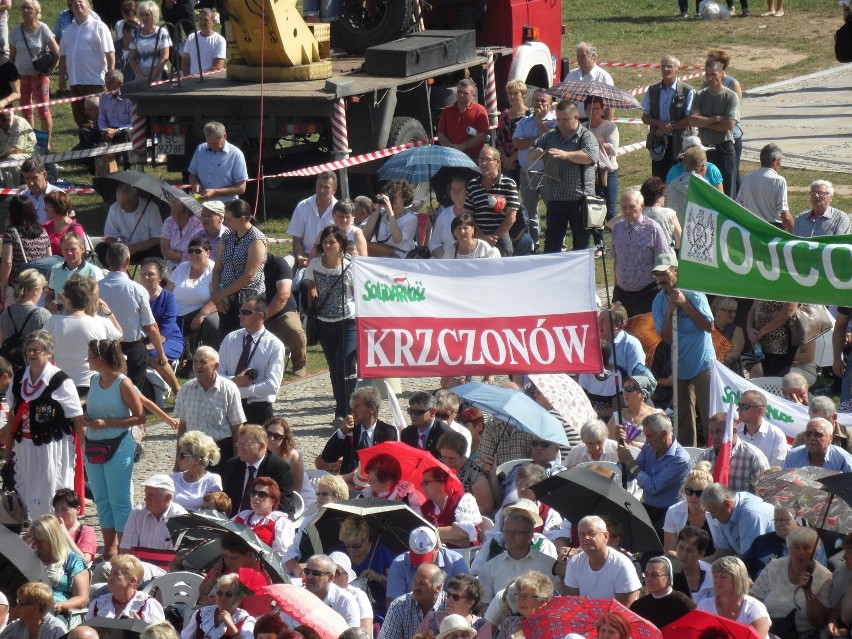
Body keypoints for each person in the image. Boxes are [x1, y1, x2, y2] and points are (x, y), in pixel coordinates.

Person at [3, 328, 83, 520]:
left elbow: (76, 417)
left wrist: (86, 447)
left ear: (48, 352)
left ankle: (55, 531)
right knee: (29, 491)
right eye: (29, 350)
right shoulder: (19, 378)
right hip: (25, 446)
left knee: (51, 489)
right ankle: (37, 532)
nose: (31, 354)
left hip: (52, 447)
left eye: (37, 350)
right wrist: (8, 446)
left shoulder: (60, 380)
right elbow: (13, 414)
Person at [84, 337, 145, 559]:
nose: (87, 360)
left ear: (100, 359)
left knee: (119, 500)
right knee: (101, 499)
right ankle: (109, 548)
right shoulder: (94, 380)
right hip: (94, 445)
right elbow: (94, 408)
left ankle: (124, 548)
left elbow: (140, 417)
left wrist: (107, 423)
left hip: (118, 445)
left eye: (90, 356)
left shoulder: (123, 383)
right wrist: (88, 416)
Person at [652, 252, 714, 447]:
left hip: (702, 362)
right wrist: (670, 312)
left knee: (709, 414)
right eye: (657, 274)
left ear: (676, 271)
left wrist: (684, 304)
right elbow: (668, 338)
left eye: (664, 273)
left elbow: (709, 326)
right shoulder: (659, 301)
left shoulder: (694, 293)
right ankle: (688, 455)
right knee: (683, 417)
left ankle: (716, 452)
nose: (661, 278)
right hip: (680, 363)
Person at [528, 100, 598, 253]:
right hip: (555, 197)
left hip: (579, 199)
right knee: (552, 244)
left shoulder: (586, 136)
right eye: (558, 119)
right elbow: (531, 153)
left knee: (581, 244)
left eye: (565, 119)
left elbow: (590, 156)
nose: (561, 123)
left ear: (576, 118)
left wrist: (566, 155)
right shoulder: (551, 135)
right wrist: (536, 152)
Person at [99, 243, 167, 390]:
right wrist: (161, 353)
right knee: (134, 392)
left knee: (107, 388)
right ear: (128, 261)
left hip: (104, 348)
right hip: (132, 347)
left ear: (107, 259)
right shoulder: (137, 289)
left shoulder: (96, 287)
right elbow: (150, 326)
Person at [304, 225, 355, 419]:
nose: (327, 245)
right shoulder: (315, 264)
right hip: (325, 322)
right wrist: (313, 308)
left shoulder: (350, 265)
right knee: (334, 367)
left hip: (348, 320)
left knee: (346, 364)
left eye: (331, 242)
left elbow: (356, 293)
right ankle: (342, 402)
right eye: (324, 242)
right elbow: (311, 286)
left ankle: (344, 411)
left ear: (341, 244)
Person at [173, 345, 245, 474]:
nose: (197, 366)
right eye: (195, 361)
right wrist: (179, 459)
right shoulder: (186, 389)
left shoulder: (229, 389)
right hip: (192, 452)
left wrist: (236, 462)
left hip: (220, 451)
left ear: (216, 366)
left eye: (203, 362)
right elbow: (182, 427)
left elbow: (237, 428)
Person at [48, 275, 122, 395]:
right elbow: (116, 338)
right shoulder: (98, 322)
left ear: (67, 299)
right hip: (89, 383)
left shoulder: (53, 321)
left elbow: (43, 347)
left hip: (59, 381)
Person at [218, 296, 285, 424]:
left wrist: (240, 391)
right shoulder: (230, 338)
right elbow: (218, 373)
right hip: (229, 406)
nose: (240, 315)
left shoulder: (274, 345)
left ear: (260, 316)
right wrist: (234, 381)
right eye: (240, 311)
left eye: (246, 312)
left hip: (258, 409)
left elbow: (272, 386)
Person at [210, 199, 267, 336]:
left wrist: (221, 295)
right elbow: (218, 268)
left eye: (229, 219)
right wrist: (216, 295)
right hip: (225, 297)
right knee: (228, 337)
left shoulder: (256, 239)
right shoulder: (227, 236)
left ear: (242, 219)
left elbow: (248, 275)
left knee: (246, 336)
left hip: (248, 297)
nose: (225, 222)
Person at [611, 190, 671, 316]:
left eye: (632, 207)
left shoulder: (653, 228)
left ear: (642, 206)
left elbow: (663, 260)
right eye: (624, 207)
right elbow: (617, 259)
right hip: (621, 293)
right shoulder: (617, 227)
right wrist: (615, 286)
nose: (627, 210)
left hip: (647, 293)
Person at [57, 0, 114, 129]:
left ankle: (102, 145)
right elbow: (63, 56)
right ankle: (86, 143)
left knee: (100, 118)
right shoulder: (68, 30)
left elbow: (110, 53)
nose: (77, 4)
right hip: (75, 83)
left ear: (89, 6)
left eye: (81, 1)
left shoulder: (100, 27)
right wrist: (61, 80)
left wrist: (111, 76)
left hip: (95, 82)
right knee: (80, 119)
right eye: (74, 2)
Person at [563, 515, 642, 606]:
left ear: (605, 536)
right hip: (584, 617)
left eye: (591, 533)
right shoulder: (574, 563)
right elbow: (572, 603)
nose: (586, 538)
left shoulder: (622, 564)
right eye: (582, 534)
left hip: (614, 619)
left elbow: (627, 609)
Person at [317, 385, 397, 474]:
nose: (353, 410)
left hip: (374, 483)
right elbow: (328, 457)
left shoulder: (388, 432)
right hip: (349, 483)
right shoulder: (350, 430)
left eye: (357, 406)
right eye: (353, 406)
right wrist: (342, 432)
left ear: (372, 409)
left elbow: (389, 467)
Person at [512, 89, 556, 252]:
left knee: (553, 211)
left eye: (543, 101)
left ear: (550, 104)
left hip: (547, 173)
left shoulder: (555, 121)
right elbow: (516, 143)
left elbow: (554, 141)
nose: (539, 104)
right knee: (530, 214)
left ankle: (557, 245)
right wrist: (538, 140)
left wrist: (539, 124)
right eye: (536, 100)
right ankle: (534, 245)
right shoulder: (524, 121)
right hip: (527, 173)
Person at [10, 1, 59, 145]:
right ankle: (30, 142)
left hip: (40, 76)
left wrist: (50, 71)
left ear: (36, 11)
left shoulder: (43, 29)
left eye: (29, 8)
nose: (25, 11)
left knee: (43, 111)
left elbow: (57, 52)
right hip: (21, 76)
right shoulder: (16, 30)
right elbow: (12, 56)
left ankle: (45, 145)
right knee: (26, 111)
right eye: (23, 8)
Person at [689, 58, 739, 197]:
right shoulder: (700, 95)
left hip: (724, 147)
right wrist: (715, 119)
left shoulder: (730, 96)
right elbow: (692, 120)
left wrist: (704, 122)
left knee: (727, 192)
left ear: (722, 74)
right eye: (707, 75)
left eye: (713, 74)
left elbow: (729, 124)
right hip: (705, 148)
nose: (710, 78)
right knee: (706, 192)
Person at [458, 145, 519, 258]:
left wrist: (494, 237)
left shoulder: (509, 184)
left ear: (498, 162)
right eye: (481, 159)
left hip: (500, 237)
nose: (483, 163)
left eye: (487, 159)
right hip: (478, 236)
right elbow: (468, 215)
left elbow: (511, 217)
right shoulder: (473, 184)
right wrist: (482, 237)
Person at [222, 424, 295, 518]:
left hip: (264, 521)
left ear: (261, 446)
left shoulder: (278, 467)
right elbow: (226, 498)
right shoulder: (232, 465)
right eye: (239, 444)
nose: (240, 449)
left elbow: (284, 505)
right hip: (234, 520)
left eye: (246, 445)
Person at [166, 236, 221, 358]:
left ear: (208, 253)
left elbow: (218, 298)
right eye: (190, 251)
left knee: (212, 322)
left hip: (199, 311)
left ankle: (207, 357)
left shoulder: (214, 270)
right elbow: (167, 292)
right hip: (176, 312)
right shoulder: (181, 267)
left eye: (198, 251)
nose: (193, 254)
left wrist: (202, 314)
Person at [284, 474, 349, 576]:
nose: (320, 498)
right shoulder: (309, 520)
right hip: (298, 576)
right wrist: (295, 568)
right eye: (318, 493)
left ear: (339, 498)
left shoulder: (344, 525)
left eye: (325, 494)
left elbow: (336, 561)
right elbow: (292, 551)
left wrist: (307, 568)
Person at [642, 55, 696, 178]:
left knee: (681, 179)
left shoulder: (688, 91)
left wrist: (670, 127)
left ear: (677, 69)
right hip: (659, 141)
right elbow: (644, 117)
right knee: (658, 179)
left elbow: (690, 119)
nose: (666, 69)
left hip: (681, 144)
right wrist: (660, 124)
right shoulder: (652, 90)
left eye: (669, 66)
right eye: (663, 66)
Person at [336, 515, 397, 622]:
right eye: (347, 545)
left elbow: (396, 587)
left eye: (356, 545)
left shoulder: (382, 553)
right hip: (345, 611)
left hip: (378, 613)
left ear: (367, 539)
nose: (351, 550)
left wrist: (378, 578)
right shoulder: (339, 554)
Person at [387, 526, 470, 604]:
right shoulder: (399, 564)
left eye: (425, 557)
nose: (422, 564)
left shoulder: (456, 562)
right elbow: (393, 604)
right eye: (417, 556)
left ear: (437, 548)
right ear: (410, 549)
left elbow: (466, 597)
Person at [27, 515, 89, 615]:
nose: (36, 543)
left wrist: (61, 605)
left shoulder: (74, 561)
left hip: (60, 611)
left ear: (52, 538)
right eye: (35, 538)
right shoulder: (31, 558)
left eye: (40, 539)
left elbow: (82, 598)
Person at [697, 557, 771, 638]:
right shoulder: (704, 606)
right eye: (715, 576)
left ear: (738, 580)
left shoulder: (754, 608)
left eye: (723, 577)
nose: (717, 580)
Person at [139, 258, 183, 393]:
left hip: (168, 339)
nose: (146, 277)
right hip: (142, 339)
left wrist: (148, 347)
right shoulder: (136, 295)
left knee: (152, 354)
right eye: (143, 273)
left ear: (159, 278)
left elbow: (165, 330)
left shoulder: (168, 297)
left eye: (150, 274)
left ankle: (177, 390)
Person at [695, 413, 768, 494]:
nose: (714, 437)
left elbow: (765, 492)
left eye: (719, 432)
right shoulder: (705, 456)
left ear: (734, 431)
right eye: (711, 432)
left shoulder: (753, 456)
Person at [700, 483, 775, 559]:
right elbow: (724, 552)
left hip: (772, 566)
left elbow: (749, 559)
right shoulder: (724, 511)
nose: (712, 517)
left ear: (727, 504)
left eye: (714, 512)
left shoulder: (750, 514)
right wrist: (700, 564)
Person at [262, 252, 307, 376]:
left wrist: (263, 317)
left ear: (266, 245)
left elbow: (283, 295)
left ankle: (299, 364)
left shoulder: (278, 263)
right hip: (253, 311)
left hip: (282, 311)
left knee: (295, 331)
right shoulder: (244, 263)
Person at [232, 476, 295, 564]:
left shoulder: (280, 522)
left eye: (262, 494)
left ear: (272, 501)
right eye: (253, 493)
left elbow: (283, 555)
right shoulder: (243, 516)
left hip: (261, 568)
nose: (256, 497)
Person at [0, 268, 50, 375]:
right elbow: (49, 346)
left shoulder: (6, 313)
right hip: (34, 371)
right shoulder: (42, 315)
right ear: (36, 290)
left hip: (9, 371)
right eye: (42, 289)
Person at [97, 184, 164, 264]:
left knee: (160, 249)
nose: (121, 207)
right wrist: (120, 248)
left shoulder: (151, 208)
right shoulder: (115, 208)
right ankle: (112, 275)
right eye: (119, 203)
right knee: (101, 248)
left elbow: (158, 238)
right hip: (123, 250)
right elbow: (109, 236)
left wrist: (135, 248)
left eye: (125, 204)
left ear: (135, 199)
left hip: (147, 250)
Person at [1, 197, 50, 305]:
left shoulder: (11, 232)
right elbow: (49, 258)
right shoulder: (43, 231)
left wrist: (2, 286)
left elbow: (7, 263)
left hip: (18, 286)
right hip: (38, 286)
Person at [585, 95, 619, 254]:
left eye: (597, 109)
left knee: (611, 210)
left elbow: (614, 150)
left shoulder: (609, 127)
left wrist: (598, 142)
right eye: (590, 109)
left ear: (602, 109)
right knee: (594, 208)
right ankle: (599, 243)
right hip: (589, 172)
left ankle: (619, 242)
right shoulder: (583, 127)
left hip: (608, 172)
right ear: (585, 110)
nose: (594, 112)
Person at [86, 554, 164, 622]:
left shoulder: (147, 605)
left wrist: (141, 628)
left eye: (116, 574)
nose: (110, 578)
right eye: (110, 573)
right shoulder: (98, 604)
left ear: (132, 581)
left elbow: (160, 635)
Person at [419, 467, 482, 549]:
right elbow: (420, 537)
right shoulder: (425, 508)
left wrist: (429, 532)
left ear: (440, 483)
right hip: (439, 555)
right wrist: (451, 540)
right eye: (422, 484)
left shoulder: (463, 498)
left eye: (426, 483)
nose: (423, 487)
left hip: (466, 554)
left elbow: (463, 532)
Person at [379, 564, 447, 639]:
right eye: (415, 581)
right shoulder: (400, 606)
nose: (416, 587)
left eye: (422, 584)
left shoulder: (449, 604)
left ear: (438, 587)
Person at [263, 417, 315, 514]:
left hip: (300, 502)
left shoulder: (293, 457)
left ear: (284, 438)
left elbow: (296, 492)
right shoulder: (262, 453)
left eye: (277, 436)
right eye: (268, 434)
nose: (271, 439)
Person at [662, 464, 715, 556]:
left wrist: (701, 564)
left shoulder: (715, 512)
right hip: (682, 562)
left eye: (700, 493)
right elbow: (670, 550)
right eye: (689, 491)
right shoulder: (673, 511)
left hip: (712, 563)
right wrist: (690, 561)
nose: (694, 496)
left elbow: (723, 549)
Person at [188, 121, 248, 202]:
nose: (212, 146)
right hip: (202, 203)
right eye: (209, 143)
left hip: (226, 206)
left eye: (215, 143)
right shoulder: (200, 149)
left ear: (225, 137)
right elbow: (192, 175)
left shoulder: (236, 154)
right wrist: (195, 184)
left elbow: (241, 188)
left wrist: (215, 192)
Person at [182, 573, 256, 639]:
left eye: (228, 594)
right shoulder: (203, 613)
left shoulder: (246, 621)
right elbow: (185, 637)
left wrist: (231, 626)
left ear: (240, 599)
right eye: (220, 593)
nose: (223, 598)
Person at [736, 143, 792, 231]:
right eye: (780, 160)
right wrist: (796, 234)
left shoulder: (747, 178)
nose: (781, 164)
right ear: (775, 161)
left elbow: (738, 205)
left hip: (750, 229)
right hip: (773, 229)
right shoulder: (779, 181)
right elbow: (784, 215)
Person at [438, 430, 494, 516]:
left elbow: (486, 507)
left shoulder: (475, 474)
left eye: (452, 459)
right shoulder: (442, 469)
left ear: (463, 455)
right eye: (443, 458)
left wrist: (456, 514)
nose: (447, 463)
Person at [416, 575, 491, 639]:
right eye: (448, 595)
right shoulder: (431, 618)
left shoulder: (482, 626)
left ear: (471, 603)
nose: (448, 600)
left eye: (455, 597)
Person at [630, 556, 696, 628]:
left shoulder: (682, 603)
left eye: (654, 575)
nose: (648, 579)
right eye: (646, 575)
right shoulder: (638, 606)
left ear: (668, 578)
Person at [46, 232, 103, 314]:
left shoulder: (94, 271)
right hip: (60, 320)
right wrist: (49, 304)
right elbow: (50, 295)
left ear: (82, 250)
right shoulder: (55, 270)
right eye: (66, 250)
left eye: (73, 249)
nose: (69, 253)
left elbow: (100, 299)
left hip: (85, 320)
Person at [290, 172, 337, 268]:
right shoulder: (302, 206)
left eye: (326, 187)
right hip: (305, 257)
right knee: (285, 262)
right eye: (319, 186)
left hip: (330, 260)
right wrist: (300, 257)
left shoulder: (339, 211)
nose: (322, 190)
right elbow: (297, 240)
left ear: (334, 190)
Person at [362, 180, 418, 258]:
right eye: (390, 196)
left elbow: (397, 239)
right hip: (380, 254)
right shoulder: (381, 213)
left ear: (404, 198)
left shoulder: (411, 219)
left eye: (395, 197)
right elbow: (366, 234)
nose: (391, 200)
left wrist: (390, 212)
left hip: (400, 257)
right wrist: (377, 209)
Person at [436, 78, 489, 160]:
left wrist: (462, 147)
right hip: (452, 157)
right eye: (459, 92)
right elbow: (441, 134)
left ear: (473, 95)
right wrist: (451, 148)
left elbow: (482, 136)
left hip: (474, 158)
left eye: (465, 93)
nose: (461, 95)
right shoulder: (447, 111)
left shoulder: (480, 110)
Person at [734, 390, 789, 467]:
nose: (738, 409)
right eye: (739, 405)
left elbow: (777, 469)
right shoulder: (734, 433)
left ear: (759, 410)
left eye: (744, 406)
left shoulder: (776, 435)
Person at [302, 554, 360, 628]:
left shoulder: (345, 601)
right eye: (307, 571)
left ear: (331, 578)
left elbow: (352, 635)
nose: (309, 577)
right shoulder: (298, 596)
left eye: (316, 573)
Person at [170, 430, 223, 511]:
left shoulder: (212, 481)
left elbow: (212, 511)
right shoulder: (172, 478)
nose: (178, 458)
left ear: (196, 459)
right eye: (179, 454)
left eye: (182, 455)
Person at [562, 42, 614, 120]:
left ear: (592, 56)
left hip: (596, 122)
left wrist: (605, 127)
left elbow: (610, 105)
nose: (579, 59)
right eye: (577, 57)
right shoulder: (571, 75)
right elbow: (564, 101)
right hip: (573, 121)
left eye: (582, 56)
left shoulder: (603, 77)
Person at [496, 571, 553, 639]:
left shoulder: (550, 627)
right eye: (519, 595)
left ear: (542, 601)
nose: (520, 600)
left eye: (526, 596)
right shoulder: (511, 622)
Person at [0, 582, 66, 639]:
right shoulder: (17, 626)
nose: (16, 607)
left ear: (35, 608)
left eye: (21, 603)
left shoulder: (55, 630)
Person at [785, 417, 852, 470]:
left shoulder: (843, 459)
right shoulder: (793, 456)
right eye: (808, 434)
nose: (812, 438)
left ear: (830, 439)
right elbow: (784, 484)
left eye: (818, 435)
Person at [129, 0, 171, 82]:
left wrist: (151, 77)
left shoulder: (162, 32)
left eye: (147, 14)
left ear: (154, 15)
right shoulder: (135, 33)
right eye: (141, 14)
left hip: (159, 72)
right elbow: (132, 58)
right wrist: (141, 77)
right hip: (141, 73)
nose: (144, 17)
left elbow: (165, 58)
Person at [52, 488, 96, 564]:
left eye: (64, 510)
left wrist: (65, 533)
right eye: (56, 510)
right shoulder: (51, 529)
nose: (59, 514)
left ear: (78, 509)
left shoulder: (86, 531)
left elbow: (84, 561)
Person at [496, 79, 528, 184]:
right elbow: (499, 139)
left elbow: (529, 142)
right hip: (505, 162)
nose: (512, 96)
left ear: (523, 94)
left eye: (515, 93)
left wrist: (512, 159)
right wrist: (505, 159)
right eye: (510, 93)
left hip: (523, 160)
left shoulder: (529, 115)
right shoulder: (504, 115)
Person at [400, 391, 449, 458]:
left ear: (432, 412)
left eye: (418, 412)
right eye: (410, 411)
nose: (413, 415)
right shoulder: (406, 433)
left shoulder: (446, 435)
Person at [430, 178, 470, 259]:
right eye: (453, 189)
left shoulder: (472, 214)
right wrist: (444, 258)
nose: (455, 192)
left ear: (467, 192)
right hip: (444, 261)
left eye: (459, 189)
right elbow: (434, 242)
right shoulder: (444, 214)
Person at [674, 526, 715, 604]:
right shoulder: (665, 573)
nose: (683, 555)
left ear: (701, 554)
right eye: (680, 548)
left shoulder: (713, 576)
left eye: (689, 550)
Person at [160, 198, 203, 270]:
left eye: (173, 211)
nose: (170, 213)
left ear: (185, 213)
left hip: (189, 268)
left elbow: (193, 256)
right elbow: (164, 250)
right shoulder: (169, 221)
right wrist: (183, 256)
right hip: (168, 267)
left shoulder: (198, 226)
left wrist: (171, 254)